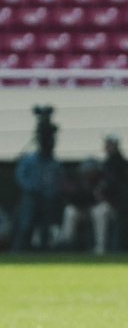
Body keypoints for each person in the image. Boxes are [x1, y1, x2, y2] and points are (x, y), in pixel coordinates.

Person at [13, 107, 64, 252]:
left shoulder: (53, 163)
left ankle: (43, 251)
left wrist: (51, 191)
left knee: (45, 226)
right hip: (32, 195)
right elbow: (21, 176)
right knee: (26, 224)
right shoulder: (30, 160)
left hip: (47, 197)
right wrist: (33, 188)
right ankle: (21, 251)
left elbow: (58, 179)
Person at [93, 134, 127, 253]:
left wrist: (103, 195)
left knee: (99, 213)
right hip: (107, 202)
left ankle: (101, 247)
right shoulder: (108, 161)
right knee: (97, 211)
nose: (106, 146)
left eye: (109, 144)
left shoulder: (117, 162)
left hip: (114, 204)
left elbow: (114, 186)